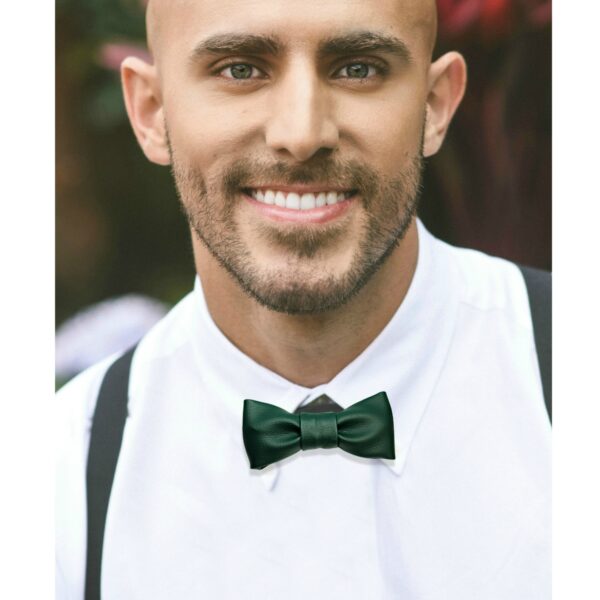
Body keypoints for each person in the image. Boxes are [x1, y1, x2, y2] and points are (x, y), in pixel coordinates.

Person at [55, 0, 551, 598]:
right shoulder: (57, 475)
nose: (301, 134)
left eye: (359, 68)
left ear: (435, 104)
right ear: (151, 111)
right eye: (240, 69)